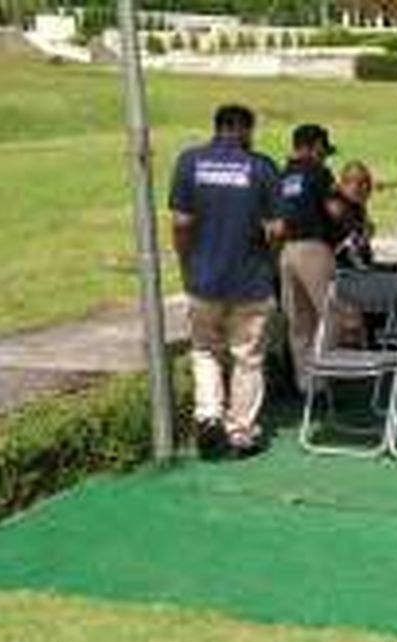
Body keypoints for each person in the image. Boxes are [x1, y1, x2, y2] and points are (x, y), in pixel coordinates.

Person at [169, 104, 281, 459]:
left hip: (203, 280)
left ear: (217, 128)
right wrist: (269, 258)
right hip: (251, 281)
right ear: (246, 130)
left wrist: (187, 260)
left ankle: (208, 415)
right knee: (247, 358)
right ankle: (240, 434)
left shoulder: (189, 161)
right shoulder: (261, 167)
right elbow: (277, 228)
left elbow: (181, 222)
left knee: (204, 350)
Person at [277, 123, 337, 393]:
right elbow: (334, 210)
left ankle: (307, 386)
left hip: (287, 250)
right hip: (314, 246)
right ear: (315, 146)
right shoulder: (318, 171)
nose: (325, 156)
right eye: (324, 149)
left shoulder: (283, 174)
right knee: (330, 314)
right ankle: (325, 379)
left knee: (299, 322)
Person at [326, 160, 376, 271]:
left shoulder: (356, 206)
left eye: (367, 184)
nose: (364, 189)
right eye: (359, 184)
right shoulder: (337, 206)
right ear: (344, 184)